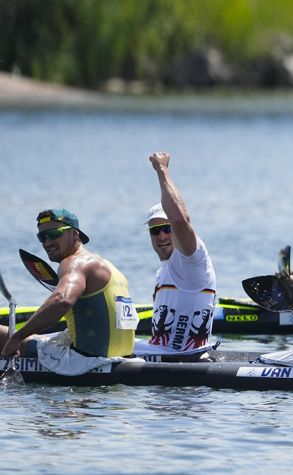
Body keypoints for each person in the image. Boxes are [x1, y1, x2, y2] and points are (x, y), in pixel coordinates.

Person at [1, 209, 136, 359]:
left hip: (84, 361)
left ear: (75, 234)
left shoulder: (74, 262)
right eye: (42, 237)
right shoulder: (111, 268)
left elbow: (62, 300)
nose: (48, 242)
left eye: (54, 234)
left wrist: (17, 338)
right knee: (38, 338)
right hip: (125, 358)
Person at [146, 152, 217, 354]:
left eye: (166, 229)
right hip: (163, 362)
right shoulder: (163, 271)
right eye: (155, 230)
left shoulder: (192, 260)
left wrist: (162, 169)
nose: (161, 236)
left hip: (184, 362)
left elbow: (179, 219)